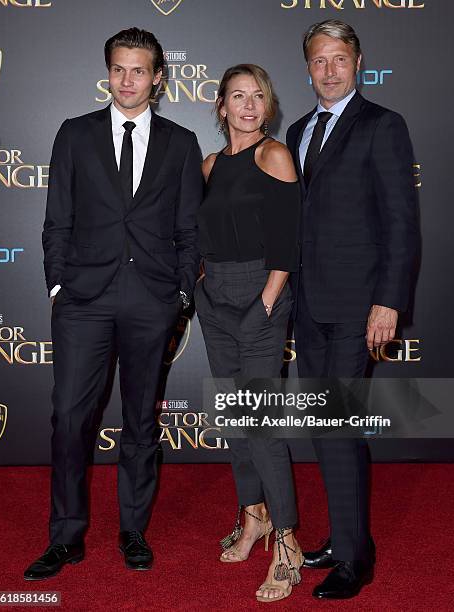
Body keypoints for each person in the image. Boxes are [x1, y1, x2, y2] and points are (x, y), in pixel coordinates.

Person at [24, 28, 202, 580]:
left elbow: (189, 229)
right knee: (70, 419)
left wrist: (179, 293)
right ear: (108, 74)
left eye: (139, 70)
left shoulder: (180, 141)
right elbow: (58, 219)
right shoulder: (74, 135)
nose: (128, 80)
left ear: (157, 77)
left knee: (141, 423)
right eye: (119, 69)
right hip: (83, 301)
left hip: (151, 300)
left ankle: (132, 530)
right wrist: (58, 284)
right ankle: (66, 536)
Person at [286, 20, 418, 599]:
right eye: (320, 60)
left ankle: (354, 558)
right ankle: (344, 537)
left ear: (358, 61)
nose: (330, 69)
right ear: (308, 67)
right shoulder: (295, 130)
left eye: (340, 58)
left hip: (359, 304)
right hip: (307, 306)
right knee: (325, 426)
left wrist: (388, 301)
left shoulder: (383, 125)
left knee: (337, 425)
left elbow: (401, 223)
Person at [195, 64, 303, 603]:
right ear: (220, 106)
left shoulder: (274, 155)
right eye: (238, 96)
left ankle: (288, 543)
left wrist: (265, 303)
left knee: (261, 424)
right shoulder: (211, 164)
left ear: (268, 105)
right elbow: (199, 239)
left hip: (261, 295)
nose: (249, 104)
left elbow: (287, 243)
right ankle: (253, 515)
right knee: (234, 422)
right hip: (213, 300)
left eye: (258, 96)